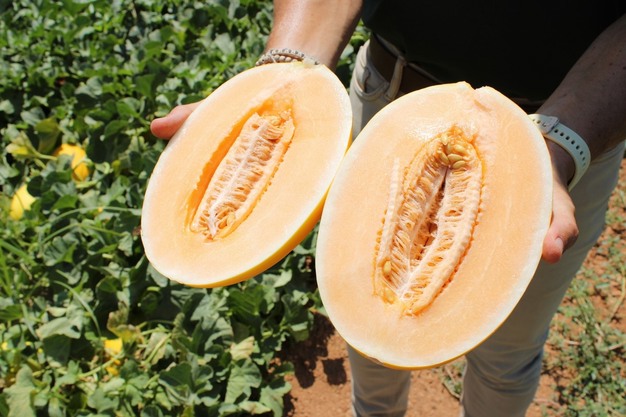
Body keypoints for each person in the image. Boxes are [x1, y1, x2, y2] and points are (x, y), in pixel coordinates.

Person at [151, 2, 626, 416]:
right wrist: (279, 75)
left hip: (572, 138)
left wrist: (561, 144)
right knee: (366, 332)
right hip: (387, 95)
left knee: (507, 353)